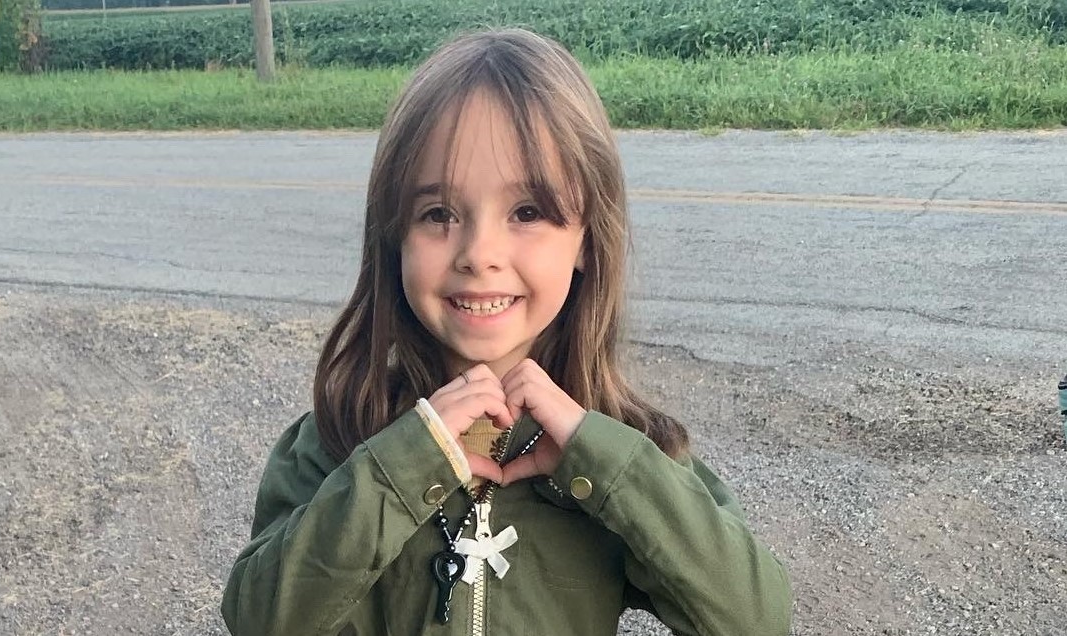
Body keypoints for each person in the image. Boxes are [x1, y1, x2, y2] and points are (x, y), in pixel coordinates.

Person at [222, 28, 792, 636]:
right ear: (393, 238)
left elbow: (754, 617)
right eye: (438, 214)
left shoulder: (615, 445)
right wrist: (411, 463)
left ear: (586, 242)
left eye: (527, 212)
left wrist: (596, 458)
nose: (479, 253)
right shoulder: (340, 433)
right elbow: (259, 618)